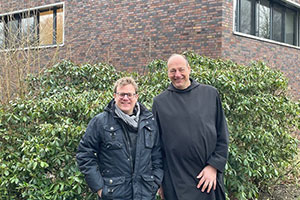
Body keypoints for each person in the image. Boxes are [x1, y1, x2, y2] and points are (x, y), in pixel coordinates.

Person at [152, 54, 229, 200]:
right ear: (167, 73)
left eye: (181, 69)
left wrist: (214, 166)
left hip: (207, 179)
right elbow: (156, 146)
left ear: (189, 69)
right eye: (172, 71)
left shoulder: (210, 94)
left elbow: (222, 135)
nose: (177, 75)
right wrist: (160, 181)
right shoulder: (160, 103)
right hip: (175, 180)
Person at [76, 77, 163, 200]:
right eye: (122, 94)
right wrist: (100, 188)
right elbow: (84, 154)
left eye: (129, 94)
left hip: (145, 194)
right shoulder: (101, 122)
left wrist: (155, 183)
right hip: (113, 195)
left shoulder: (149, 122)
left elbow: (157, 156)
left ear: (136, 97)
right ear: (114, 96)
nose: (125, 98)